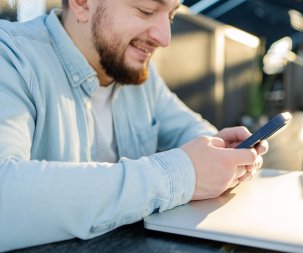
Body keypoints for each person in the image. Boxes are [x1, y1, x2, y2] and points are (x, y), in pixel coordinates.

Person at [0, 0, 268, 251]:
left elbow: (192, 131)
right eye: (146, 10)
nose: (164, 38)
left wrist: (224, 155)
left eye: (172, 15)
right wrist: (179, 176)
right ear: (82, 3)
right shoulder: (11, 57)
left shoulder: (140, 76)